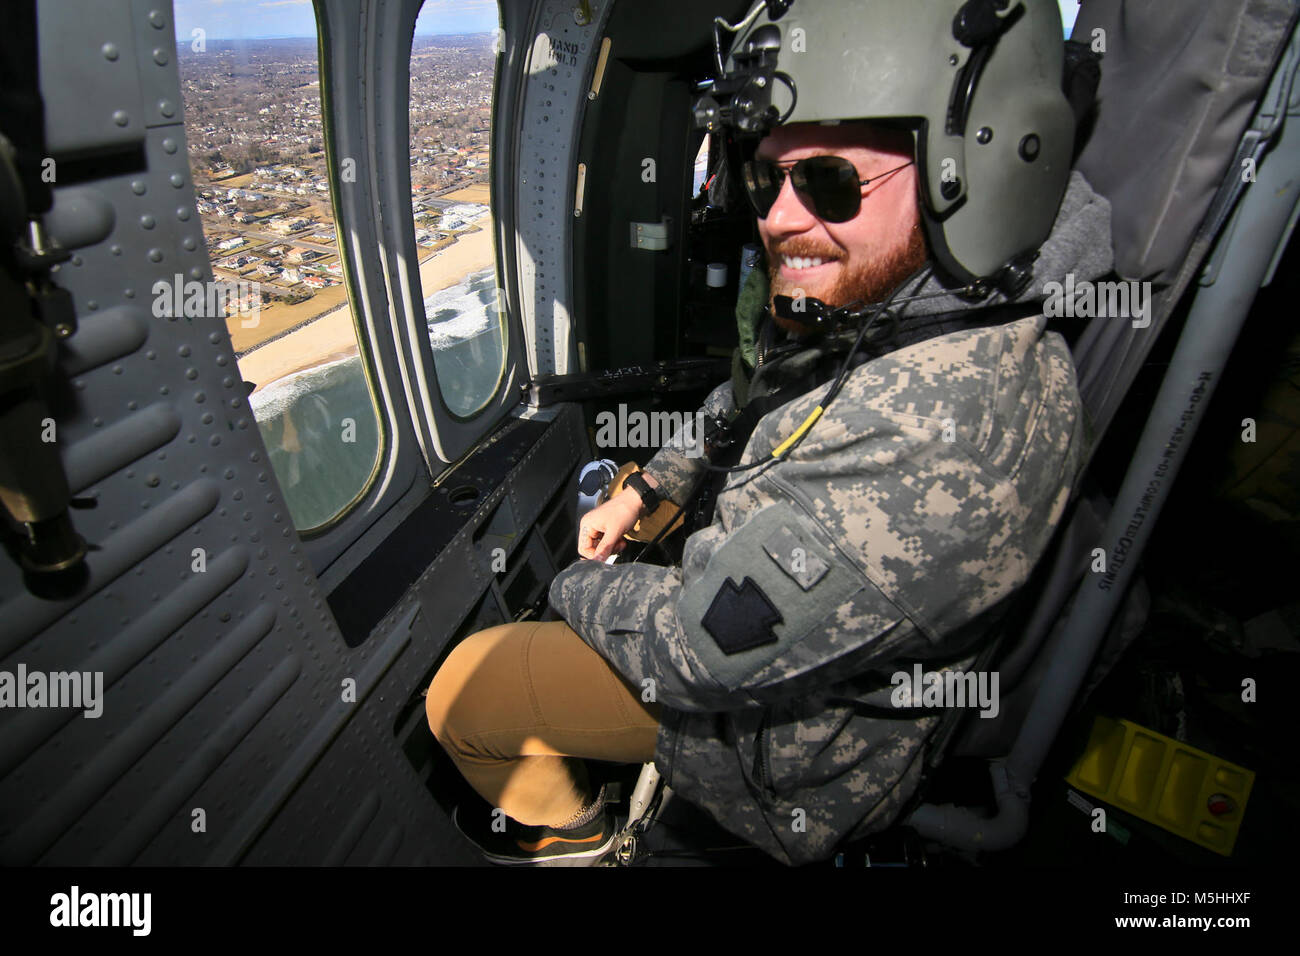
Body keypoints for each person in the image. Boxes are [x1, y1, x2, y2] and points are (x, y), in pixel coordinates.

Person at [425, 0, 1113, 865]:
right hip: (777, 623)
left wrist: (571, 587)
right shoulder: (910, 304)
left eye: (827, 181)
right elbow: (758, 393)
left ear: (972, 175)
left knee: (465, 699)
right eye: (764, 179)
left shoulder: (945, 435)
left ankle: (581, 842)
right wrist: (652, 486)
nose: (780, 218)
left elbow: (692, 651)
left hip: (795, 751)